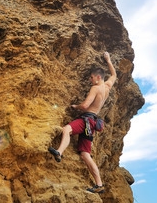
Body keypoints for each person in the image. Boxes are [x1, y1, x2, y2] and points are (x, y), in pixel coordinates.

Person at [48, 51, 117, 194]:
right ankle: (99, 184)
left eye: (92, 77)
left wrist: (75, 107)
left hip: (86, 119)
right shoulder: (107, 87)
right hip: (93, 123)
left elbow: (85, 106)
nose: (90, 80)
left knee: (67, 129)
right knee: (85, 154)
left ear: (98, 77)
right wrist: (108, 60)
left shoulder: (96, 88)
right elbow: (114, 75)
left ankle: (59, 152)